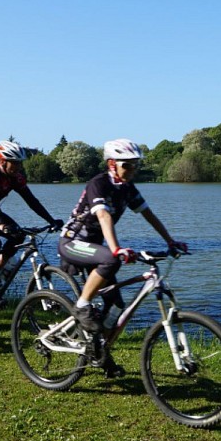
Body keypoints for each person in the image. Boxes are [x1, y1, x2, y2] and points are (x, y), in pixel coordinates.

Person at [58, 138, 188, 337]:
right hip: (72, 242)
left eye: (136, 165)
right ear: (112, 164)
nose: (132, 170)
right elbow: (103, 215)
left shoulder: (127, 188)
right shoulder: (98, 183)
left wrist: (170, 241)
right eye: (127, 165)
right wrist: (116, 249)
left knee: (117, 307)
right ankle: (82, 305)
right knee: (110, 259)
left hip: (95, 248)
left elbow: (148, 215)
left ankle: (100, 352)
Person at [0, 140, 63, 309]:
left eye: (19, 163)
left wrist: (51, 220)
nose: (17, 167)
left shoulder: (15, 177)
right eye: (14, 163)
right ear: (2, 161)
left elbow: (31, 201)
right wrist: (0, 224)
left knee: (18, 235)